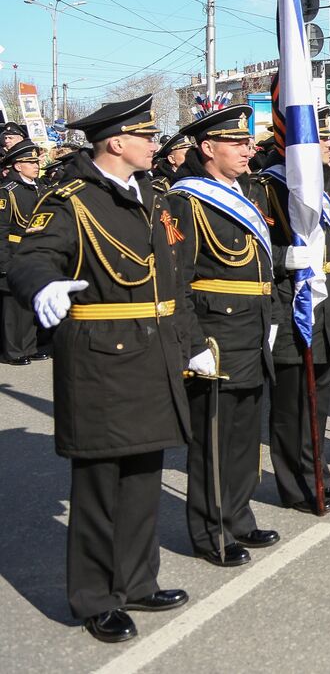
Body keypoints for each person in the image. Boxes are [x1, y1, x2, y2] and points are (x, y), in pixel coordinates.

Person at [8, 94, 191, 643]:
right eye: (148, 136)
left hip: (153, 351)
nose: (156, 145)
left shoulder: (152, 196)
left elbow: (171, 276)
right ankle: (94, 597)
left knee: (142, 474)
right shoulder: (73, 200)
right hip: (102, 359)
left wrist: (190, 341)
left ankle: (136, 580)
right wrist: (43, 285)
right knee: (99, 482)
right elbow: (30, 255)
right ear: (117, 141)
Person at [165, 105, 279, 568]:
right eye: (237, 143)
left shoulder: (245, 193)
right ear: (207, 148)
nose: (248, 149)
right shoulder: (185, 201)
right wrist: (192, 345)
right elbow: (178, 280)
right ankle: (210, 531)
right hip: (214, 334)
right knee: (213, 437)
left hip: (251, 327)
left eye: (248, 142)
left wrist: (268, 317)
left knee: (244, 435)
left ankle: (238, 514)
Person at [256, 107, 330, 515]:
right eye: (322, 141)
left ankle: (318, 476)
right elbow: (255, 253)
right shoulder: (269, 187)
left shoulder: (328, 187)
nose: (329, 147)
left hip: (327, 304)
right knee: (291, 406)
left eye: (329, 141)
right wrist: (283, 257)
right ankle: (294, 486)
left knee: (318, 402)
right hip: (291, 303)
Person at [1, 141, 49, 365]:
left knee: (30, 303)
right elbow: (1, 229)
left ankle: (29, 347)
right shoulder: (7, 192)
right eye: (30, 162)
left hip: (35, 252)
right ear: (17, 166)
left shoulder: (39, 188)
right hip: (15, 252)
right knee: (13, 307)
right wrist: (4, 263)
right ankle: (13, 351)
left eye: (36, 161)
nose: (36, 165)